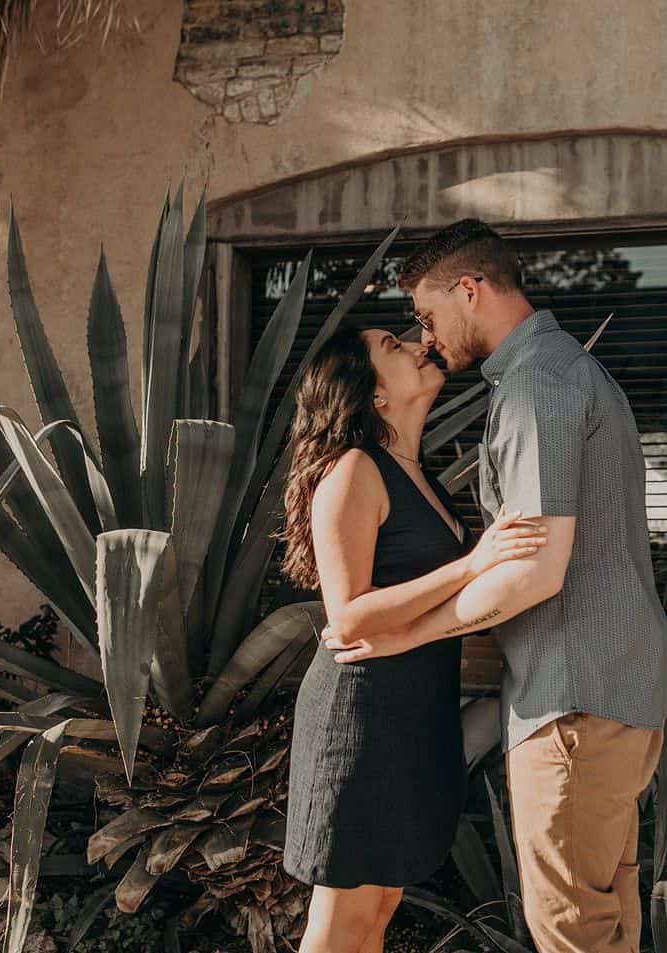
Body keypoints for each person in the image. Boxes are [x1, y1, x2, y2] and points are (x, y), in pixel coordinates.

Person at [323, 219, 667, 953]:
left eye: (426, 316)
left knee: (572, 932)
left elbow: (534, 571)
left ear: (470, 290)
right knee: (609, 924)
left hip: (573, 698)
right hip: (611, 692)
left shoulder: (535, 387)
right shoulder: (562, 372)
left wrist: (407, 631)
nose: (426, 336)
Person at [278, 323, 549, 953]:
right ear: (370, 392)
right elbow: (346, 616)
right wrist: (473, 563)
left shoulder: (415, 473)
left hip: (413, 708)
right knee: (342, 920)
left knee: (377, 913)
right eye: (391, 348)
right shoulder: (352, 471)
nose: (414, 344)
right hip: (360, 710)